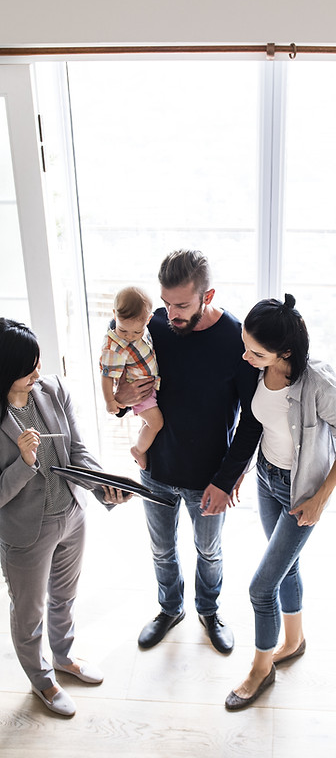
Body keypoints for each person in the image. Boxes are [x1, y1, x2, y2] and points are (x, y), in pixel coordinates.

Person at [114, 250, 262, 655]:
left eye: (181, 305)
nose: (170, 313)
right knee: (161, 548)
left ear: (207, 295)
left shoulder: (236, 339)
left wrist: (227, 477)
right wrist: (122, 398)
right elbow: (125, 381)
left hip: (209, 476)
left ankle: (209, 610)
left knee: (209, 551)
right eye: (165, 302)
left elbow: (252, 419)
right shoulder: (153, 326)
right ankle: (170, 608)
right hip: (157, 468)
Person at [224, 294, 336, 711]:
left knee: (260, 587)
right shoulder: (259, 370)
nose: (246, 357)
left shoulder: (318, 384)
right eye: (245, 345)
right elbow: (260, 427)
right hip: (267, 478)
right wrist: (240, 472)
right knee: (287, 568)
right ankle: (294, 640)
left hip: (300, 491)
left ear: (285, 351)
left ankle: (260, 670)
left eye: (257, 351)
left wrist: (322, 497)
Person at [0, 318, 130, 717]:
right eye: (29, 367)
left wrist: (102, 484)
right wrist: (25, 461)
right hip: (25, 533)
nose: (39, 372)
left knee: (65, 597)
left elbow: (77, 451)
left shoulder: (52, 389)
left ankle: (64, 656)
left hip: (72, 515)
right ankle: (41, 680)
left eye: (39, 362)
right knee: (29, 612)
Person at [100, 286, 164, 469]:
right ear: (114, 315)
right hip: (139, 392)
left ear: (148, 319)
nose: (129, 337)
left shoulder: (145, 326)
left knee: (148, 422)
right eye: (123, 330)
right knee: (156, 423)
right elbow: (106, 375)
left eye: (136, 332)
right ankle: (138, 450)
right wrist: (110, 401)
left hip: (148, 387)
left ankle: (141, 443)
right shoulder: (115, 346)